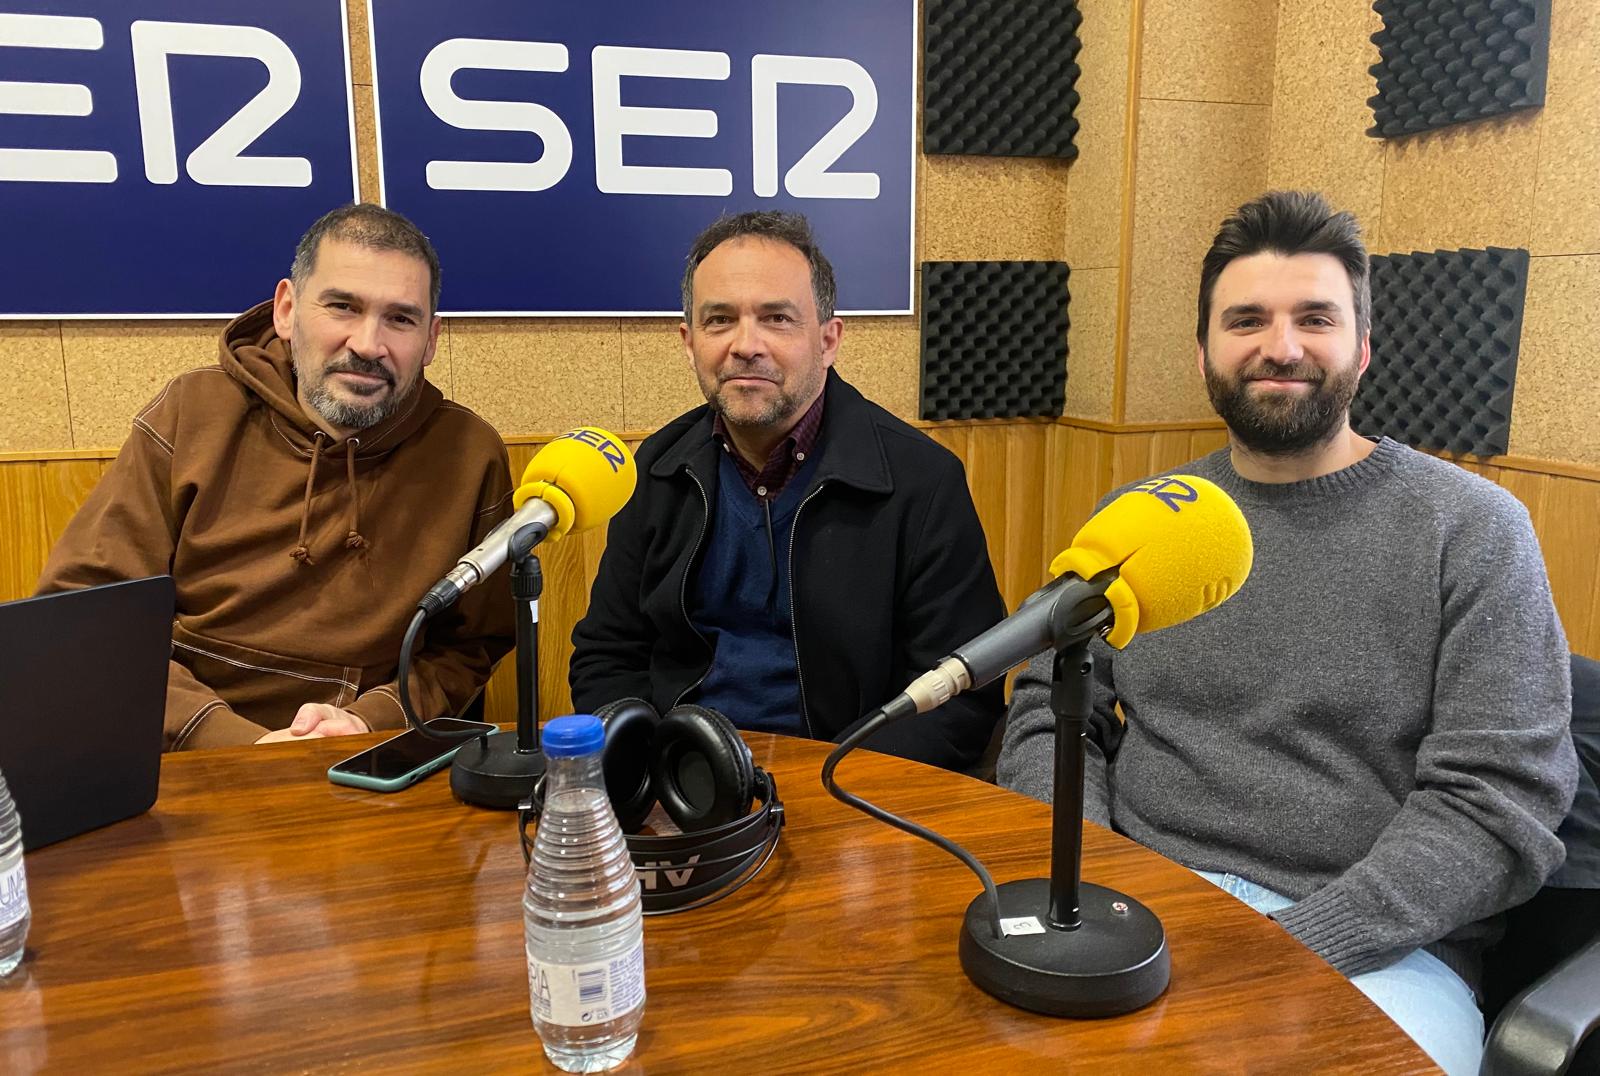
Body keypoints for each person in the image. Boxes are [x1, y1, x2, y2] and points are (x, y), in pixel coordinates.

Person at [997, 190, 1578, 1073]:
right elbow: (1049, 709)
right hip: (1140, 912)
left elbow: (1498, 804)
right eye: (1247, 320)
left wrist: (1295, 945)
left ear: (1363, 347)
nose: (1282, 346)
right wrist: (1097, 879)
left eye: (1315, 318)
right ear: (1203, 353)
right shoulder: (1144, 521)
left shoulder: (1471, 530)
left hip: (1378, 951)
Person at [38, 204, 514, 750]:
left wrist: (371, 719)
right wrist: (227, 739)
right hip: (180, 750)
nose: (368, 344)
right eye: (342, 307)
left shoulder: (469, 454)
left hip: (364, 753)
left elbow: (470, 646)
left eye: (401, 319)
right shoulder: (190, 415)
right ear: (286, 310)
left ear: (431, 339)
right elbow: (85, 616)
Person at [570, 210, 1006, 771]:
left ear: (828, 340)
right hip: (684, 778)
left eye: (776, 318)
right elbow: (607, 657)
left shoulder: (923, 481)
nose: (745, 345)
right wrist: (652, 772)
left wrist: (837, 789)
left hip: (850, 784)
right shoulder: (654, 469)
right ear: (689, 342)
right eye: (719, 320)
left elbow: (960, 694)